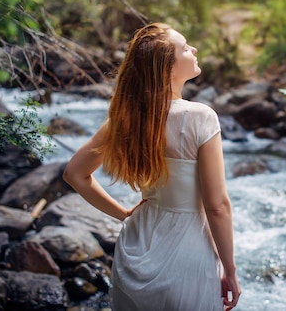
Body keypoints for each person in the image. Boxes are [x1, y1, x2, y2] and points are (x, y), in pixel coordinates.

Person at [63, 22, 241, 311]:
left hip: (136, 245)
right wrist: (230, 271)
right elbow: (217, 205)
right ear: (167, 69)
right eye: (185, 47)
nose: (194, 49)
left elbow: (74, 174)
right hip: (188, 250)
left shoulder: (124, 120)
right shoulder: (201, 117)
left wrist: (122, 214)